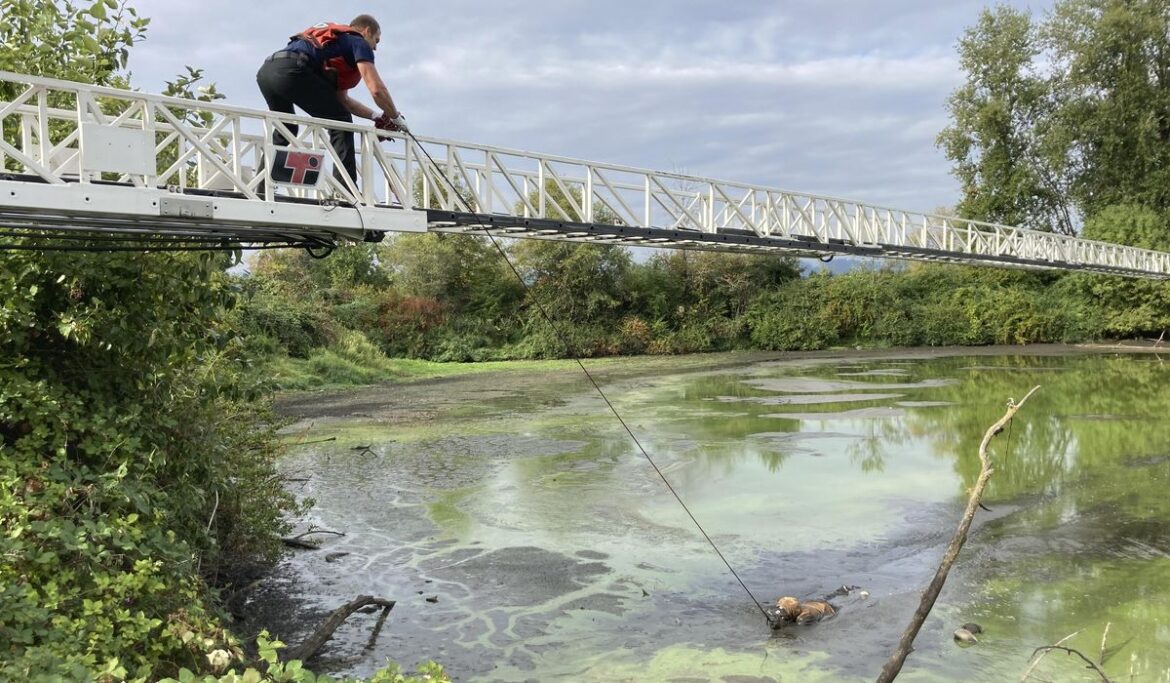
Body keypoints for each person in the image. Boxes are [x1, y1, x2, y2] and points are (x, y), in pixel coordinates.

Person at [256, 14, 407, 187]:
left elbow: (344, 101)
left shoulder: (336, 43)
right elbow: (377, 90)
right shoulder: (357, 42)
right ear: (366, 31)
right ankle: (346, 190)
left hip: (266, 72)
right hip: (293, 71)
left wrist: (377, 116)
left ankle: (260, 188)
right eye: (376, 41)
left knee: (286, 128)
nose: (375, 48)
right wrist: (395, 117)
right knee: (342, 123)